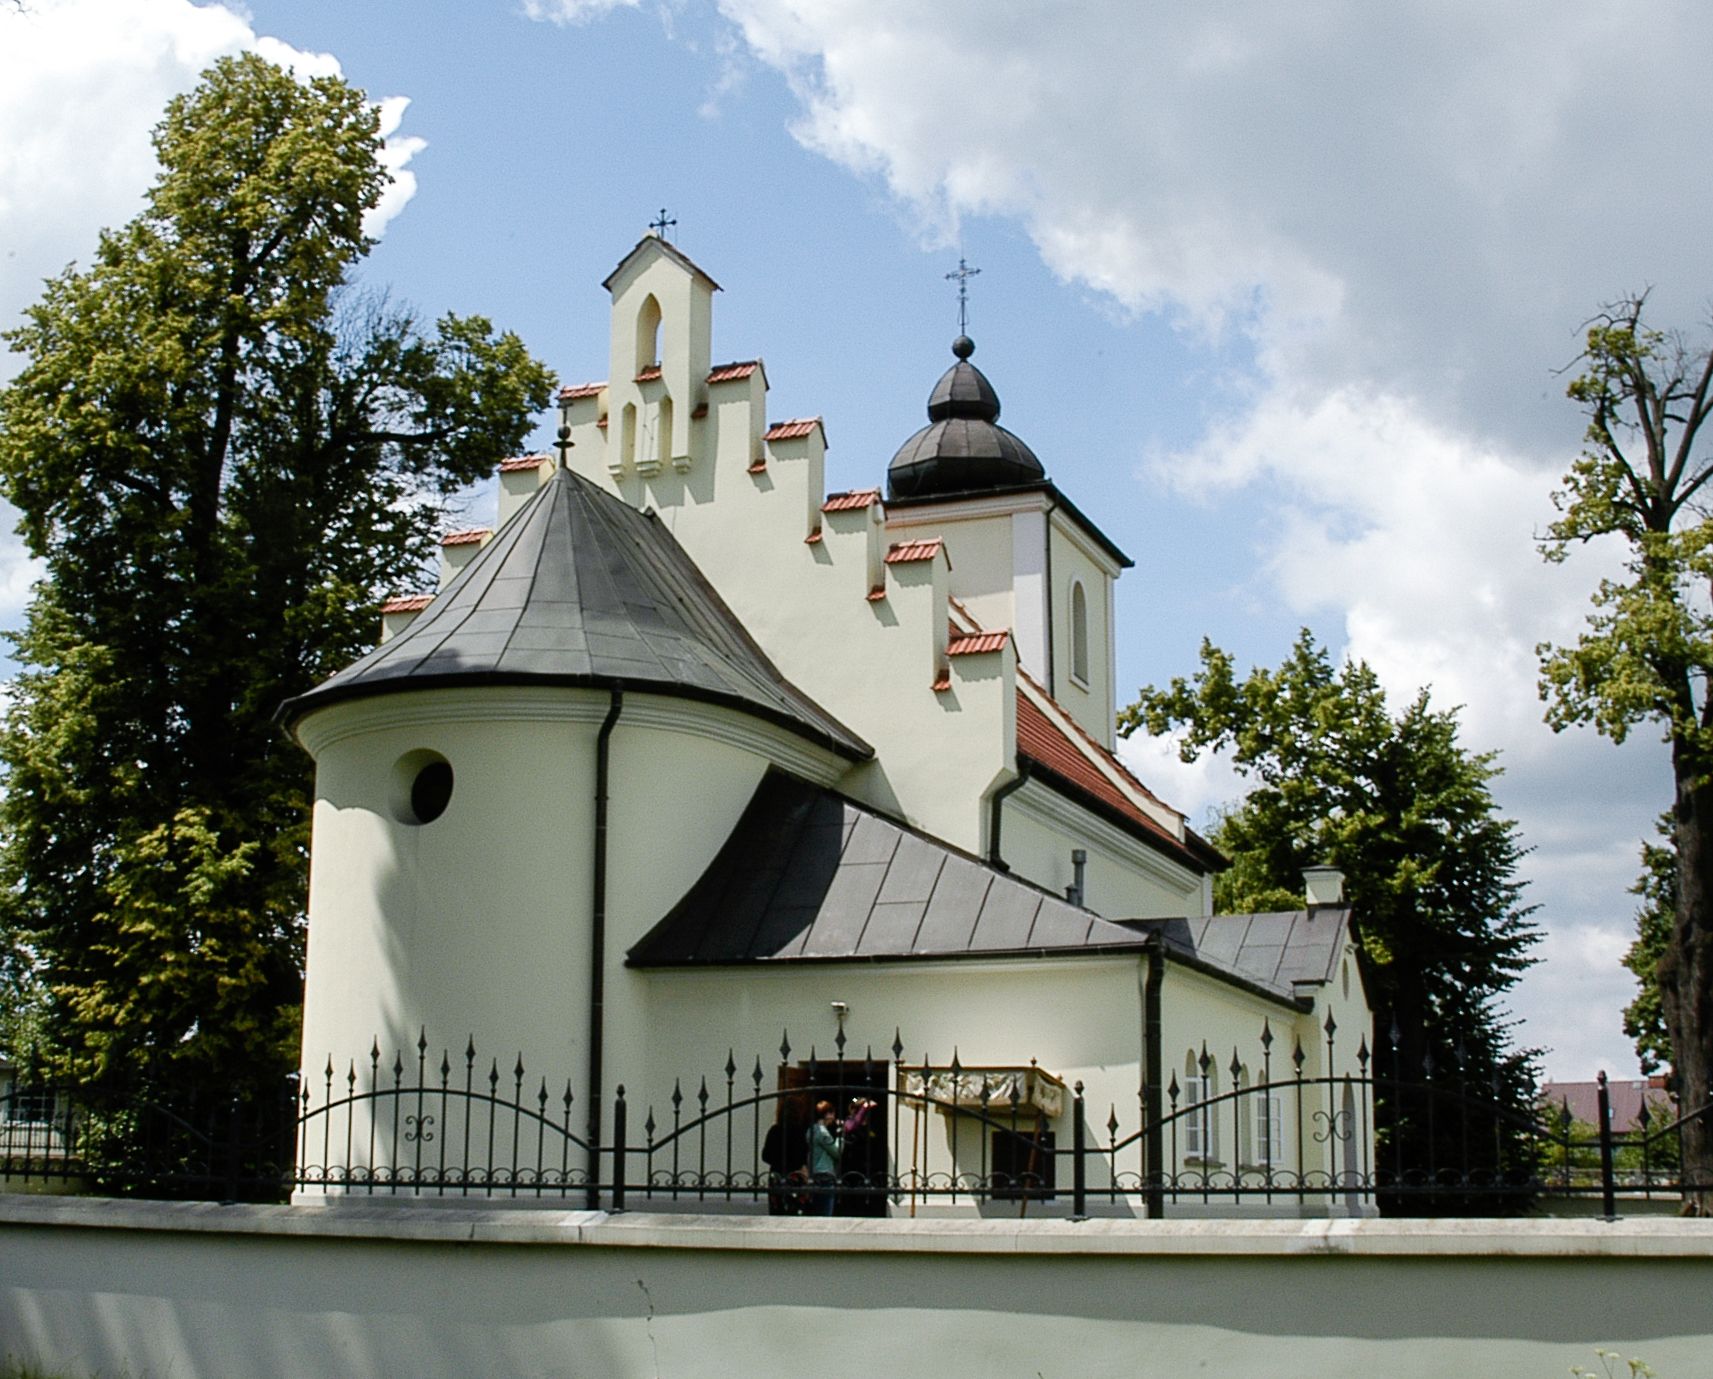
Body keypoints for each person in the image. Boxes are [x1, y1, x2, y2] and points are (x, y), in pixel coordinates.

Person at [805, 1098, 874, 1217]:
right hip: (825, 1174)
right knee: (825, 1212)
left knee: (817, 1211)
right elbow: (837, 1152)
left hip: (814, 1172)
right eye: (832, 1113)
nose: (834, 1117)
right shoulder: (823, 1132)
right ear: (826, 1114)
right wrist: (840, 1136)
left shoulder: (811, 1130)